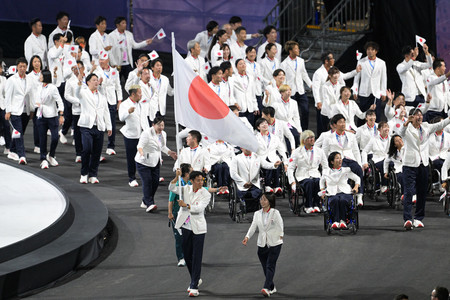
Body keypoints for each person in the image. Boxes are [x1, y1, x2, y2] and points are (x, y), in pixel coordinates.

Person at [400, 108, 450, 229]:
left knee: (422, 192)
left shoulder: (426, 126)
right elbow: (401, 133)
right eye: (417, 115)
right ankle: (407, 219)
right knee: (409, 192)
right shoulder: (407, 128)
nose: (420, 117)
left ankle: (418, 218)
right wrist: (406, 123)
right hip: (410, 164)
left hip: (424, 164)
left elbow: (440, 124)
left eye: (421, 115)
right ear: (412, 117)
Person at [169, 170, 211, 297]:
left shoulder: (205, 193)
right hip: (185, 226)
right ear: (191, 181)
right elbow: (171, 188)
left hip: (198, 228)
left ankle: (194, 286)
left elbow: (199, 209)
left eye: (202, 180)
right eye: (198, 180)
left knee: (197, 256)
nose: (200, 182)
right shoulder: (185, 189)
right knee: (187, 255)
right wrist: (176, 177)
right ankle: (195, 278)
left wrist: (186, 205)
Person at [242, 193, 284, 298]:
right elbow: (253, 227)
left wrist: (281, 235)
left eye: (264, 200)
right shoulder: (257, 214)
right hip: (262, 243)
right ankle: (272, 286)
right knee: (265, 267)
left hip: (275, 243)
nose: (262, 201)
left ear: (270, 201)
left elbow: (280, 224)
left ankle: (266, 288)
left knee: (270, 265)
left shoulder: (275, 213)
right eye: (261, 199)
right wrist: (247, 237)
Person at [75, 73, 112, 184]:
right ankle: (84, 173)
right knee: (87, 149)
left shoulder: (102, 96)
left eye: (97, 80)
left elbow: (106, 112)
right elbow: (77, 93)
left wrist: (109, 126)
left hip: (99, 126)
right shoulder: (84, 93)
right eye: (94, 80)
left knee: (97, 152)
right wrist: (79, 82)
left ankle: (93, 174)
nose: (96, 82)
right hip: (86, 126)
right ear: (88, 82)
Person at [135, 116, 177, 212]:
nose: (161, 127)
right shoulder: (146, 133)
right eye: (159, 125)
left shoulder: (163, 134)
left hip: (155, 161)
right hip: (143, 162)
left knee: (155, 182)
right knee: (147, 181)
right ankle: (150, 203)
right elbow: (140, 146)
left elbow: (162, 147)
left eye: (162, 125)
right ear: (153, 125)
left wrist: (170, 153)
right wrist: (141, 152)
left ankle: (145, 201)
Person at [313, 52, 359, 134]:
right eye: (332, 58)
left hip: (336, 107)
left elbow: (344, 76)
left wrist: (356, 71)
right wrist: (318, 101)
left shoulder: (334, 70)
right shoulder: (318, 73)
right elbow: (315, 88)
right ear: (326, 61)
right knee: (323, 128)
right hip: (323, 104)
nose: (334, 60)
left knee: (335, 130)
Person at [322, 114, 364, 206]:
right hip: (337, 160)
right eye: (340, 122)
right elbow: (324, 154)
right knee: (344, 173)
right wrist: (325, 167)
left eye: (344, 122)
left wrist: (360, 164)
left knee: (358, 170)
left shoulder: (351, 136)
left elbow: (356, 151)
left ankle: (360, 195)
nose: (343, 124)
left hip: (349, 158)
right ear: (334, 125)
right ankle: (346, 193)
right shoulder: (328, 137)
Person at [288, 130, 328, 213]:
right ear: (304, 141)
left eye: (313, 137)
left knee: (318, 181)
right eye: (309, 138)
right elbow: (290, 168)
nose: (312, 139)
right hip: (302, 176)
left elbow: (325, 166)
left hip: (315, 174)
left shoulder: (320, 151)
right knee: (309, 182)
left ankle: (316, 204)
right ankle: (308, 205)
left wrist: (325, 178)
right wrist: (292, 182)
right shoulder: (296, 152)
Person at [4, 57, 35, 164]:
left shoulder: (30, 79)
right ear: (17, 67)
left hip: (25, 110)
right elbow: (8, 96)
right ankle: (22, 156)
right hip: (15, 110)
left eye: (24, 66)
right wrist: (8, 111)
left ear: (26, 67)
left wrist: (31, 109)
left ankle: (12, 150)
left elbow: (31, 94)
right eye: (20, 66)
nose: (22, 68)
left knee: (20, 132)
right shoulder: (12, 80)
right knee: (19, 133)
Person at [320, 152, 360, 229]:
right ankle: (335, 221)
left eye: (340, 158)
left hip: (345, 191)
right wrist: (322, 191)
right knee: (334, 200)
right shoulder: (326, 171)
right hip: (332, 192)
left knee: (342, 200)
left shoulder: (346, 170)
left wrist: (356, 187)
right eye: (337, 158)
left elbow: (357, 178)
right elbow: (321, 181)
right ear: (332, 162)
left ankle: (343, 221)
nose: (340, 160)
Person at [34, 69, 64, 169]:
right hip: (41, 115)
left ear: (45, 76)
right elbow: (36, 99)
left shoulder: (52, 88)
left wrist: (61, 114)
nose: (39, 76)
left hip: (52, 115)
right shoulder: (38, 87)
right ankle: (43, 159)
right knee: (42, 138)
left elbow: (59, 101)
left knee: (55, 137)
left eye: (41, 75)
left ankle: (51, 155)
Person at [93, 52, 122, 155]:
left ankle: (111, 146)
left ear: (108, 60)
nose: (101, 62)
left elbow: (118, 86)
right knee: (99, 124)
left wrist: (119, 101)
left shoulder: (114, 71)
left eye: (103, 60)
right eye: (100, 60)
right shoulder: (96, 71)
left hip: (111, 100)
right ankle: (98, 147)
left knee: (112, 124)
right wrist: (98, 83)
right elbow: (91, 85)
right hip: (100, 100)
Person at [109, 16, 153, 82]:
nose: (125, 25)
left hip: (128, 63)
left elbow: (135, 45)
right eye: (123, 23)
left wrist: (145, 43)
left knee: (131, 83)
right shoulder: (111, 36)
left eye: (125, 23)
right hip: (117, 64)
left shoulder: (129, 34)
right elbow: (110, 51)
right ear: (117, 25)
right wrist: (113, 63)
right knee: (116, 83)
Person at [352, 42, 387, 122]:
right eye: (368, 49)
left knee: (376, 115)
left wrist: (383, 93)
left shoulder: (382, 63)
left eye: (372, 49)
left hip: (376, 93)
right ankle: (359, 132)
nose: (370, 51)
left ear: (376, 51)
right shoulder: (361, 61)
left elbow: (383, 79)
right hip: (364, 92)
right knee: (362, 114)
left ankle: (376, 132)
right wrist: (355, 91)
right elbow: (356, 78)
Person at [119, 85, 147, 187]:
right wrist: (128, 112)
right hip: (130, 135)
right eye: (139, 93)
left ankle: (147, 176)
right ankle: (132, 178)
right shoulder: (124, 104)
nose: (141, 95)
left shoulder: (140, 103)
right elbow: (121, 118)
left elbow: (143, 118)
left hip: (142, 134)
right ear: (133, 94)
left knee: (145, 156)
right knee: (131, 158)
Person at [281, 40, 312, 130]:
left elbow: (304, 74)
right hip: (290, 91)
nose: (298, 50)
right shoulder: (284, 64)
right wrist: (285, 91)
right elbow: (284, 79)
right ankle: (295, 129)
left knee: (305, 110)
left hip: (301, 90)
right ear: (290, 51)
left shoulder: (301, 61)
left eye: (298, 48)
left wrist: (310, 84)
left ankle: (304, 130)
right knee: (293, 113)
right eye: (296, 49)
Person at [255, 118, 288, 194]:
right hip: (261, 158)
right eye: (262, 124)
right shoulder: (256, 138)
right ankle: (268, 185)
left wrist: (286, 163)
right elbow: (254, 152)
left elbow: (282, 151)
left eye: (266, 123)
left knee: (276, 162)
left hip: (273, 157)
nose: (265, 125)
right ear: (258, 127)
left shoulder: (275, 138)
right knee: (269, 163)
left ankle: (277, 186)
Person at [168, 163, 191, 267]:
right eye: (191, 171)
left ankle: (189, 256)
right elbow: (171, 200)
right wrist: (170, 213)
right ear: (186, 174)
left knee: (189, 235)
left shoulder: (190, 183)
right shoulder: (178, 184)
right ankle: (181, 257)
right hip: (177, 213)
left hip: (188, 213)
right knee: (179, 236)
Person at [64, 60, 85, 163]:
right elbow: (67, 96)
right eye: (74, 68)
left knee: (89, 132)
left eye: (78, 68)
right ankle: (79, 153)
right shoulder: (70, 81)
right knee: (77, 133)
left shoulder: (88, 78)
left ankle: (90, 153)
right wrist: (78, 102)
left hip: (87, 110)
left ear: (83, 68)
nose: (77, 70)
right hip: (77, 110)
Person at [361, 121, 390, 192]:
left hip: (389, 159)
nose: (386, 129)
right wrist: (364, 162)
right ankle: (384, 185)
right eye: (384, 127)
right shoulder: (374, 139)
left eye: (387, 127)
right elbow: (365, 151)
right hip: (378, 160)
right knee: (384, 164)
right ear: (379, 130)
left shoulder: (391, 139)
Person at [27, 55, 44, 154]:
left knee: (44, 126)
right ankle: (37, 145)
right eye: (35, 62)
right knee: (37, 126)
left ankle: (42, 144)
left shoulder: (44, 74)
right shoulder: (29, 76)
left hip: (44, 104)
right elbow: (29, 93)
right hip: (35, 105)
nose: (37, 63)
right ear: (32, 64)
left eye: (38, 61)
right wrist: (31, 108)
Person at [234, 59, 258, 126]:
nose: (243, 65)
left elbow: (253, 93)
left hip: (250, 107)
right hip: (240, 107)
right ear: (236, 67)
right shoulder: (233, 78)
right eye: (240, 64)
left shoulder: (250, 77)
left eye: (244, 63)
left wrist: (255, 106)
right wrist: (235, 103)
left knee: (250, 128)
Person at [245, 46, 263, 111]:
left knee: (260, 110)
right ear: (246, 54)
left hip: (258, 90)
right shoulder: (244, 64)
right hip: (249, 90)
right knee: (252, 110)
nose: (252, 54)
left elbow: (260, 77)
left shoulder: (257, 64)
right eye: (250, 52)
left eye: (254, 52)